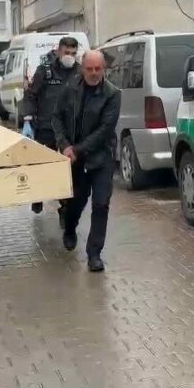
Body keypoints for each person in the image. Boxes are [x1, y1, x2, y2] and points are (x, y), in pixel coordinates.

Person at [52, 50, 121, 272]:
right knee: (76, 202)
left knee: (101, 204)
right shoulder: (70, 89)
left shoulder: (112, 94)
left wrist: (77, 150)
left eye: (97, 69)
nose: (93, 73)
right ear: (82, 69)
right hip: (75, 159)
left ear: (103, 69)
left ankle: (94, 254)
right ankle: (69, 228)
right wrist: (64, 145)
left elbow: (105, 130)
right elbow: (57, 117)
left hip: (101, 157)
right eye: (89, 69)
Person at [21, 37, 79, 219]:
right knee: (43, 167)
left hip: (70, 132)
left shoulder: (79, 72)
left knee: (67, 172)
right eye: (66, 52)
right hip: (46, 128)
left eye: (73, 53)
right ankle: (38, 195)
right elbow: (30, 95)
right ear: (58, 51)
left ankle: (65, 208)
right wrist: (27, 118)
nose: (69, 56)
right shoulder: (45, 72)